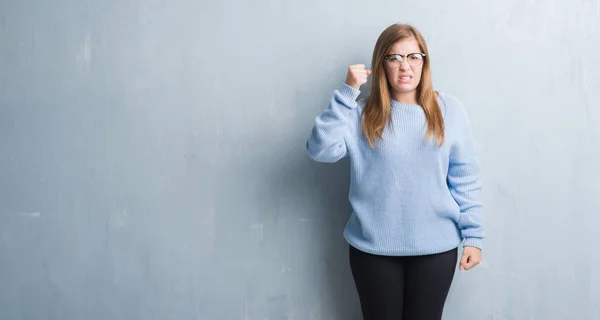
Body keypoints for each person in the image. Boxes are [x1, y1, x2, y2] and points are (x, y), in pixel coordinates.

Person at [305, 23, 485, 320]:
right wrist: (348, 92)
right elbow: (319, 150)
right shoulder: (360, 113)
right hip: (373, 251)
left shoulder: (449, 110)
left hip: (436, 249)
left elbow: (465, 177)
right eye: (394, 57)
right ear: (381, 66)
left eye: (414, 56)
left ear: (424, 62)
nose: (405, 66)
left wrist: (474, 238)